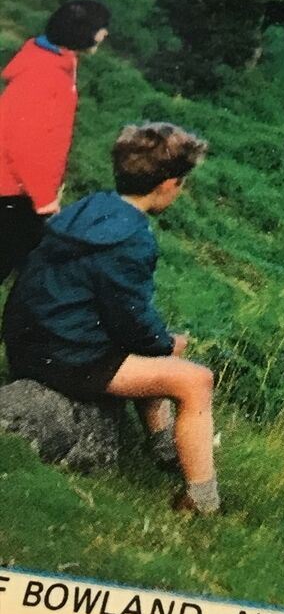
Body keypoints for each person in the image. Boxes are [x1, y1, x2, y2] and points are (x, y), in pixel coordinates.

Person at [2, 121, 220, 515]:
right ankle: (201, 501)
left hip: (30, 340)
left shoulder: (89, 207)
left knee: (151, 348)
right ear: (168, 184)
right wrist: (168, 345)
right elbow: (132, 323)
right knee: (194, 380)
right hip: (66, 358)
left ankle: (166, 447)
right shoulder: (131, 239)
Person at [0, 0, 111, 282]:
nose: (105, 33)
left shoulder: (57, 61)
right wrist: (45, 199)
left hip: (20, 190)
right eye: (101, 27)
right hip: (12, 192)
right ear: (80, 32)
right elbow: (23, 146)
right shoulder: (45, 75)